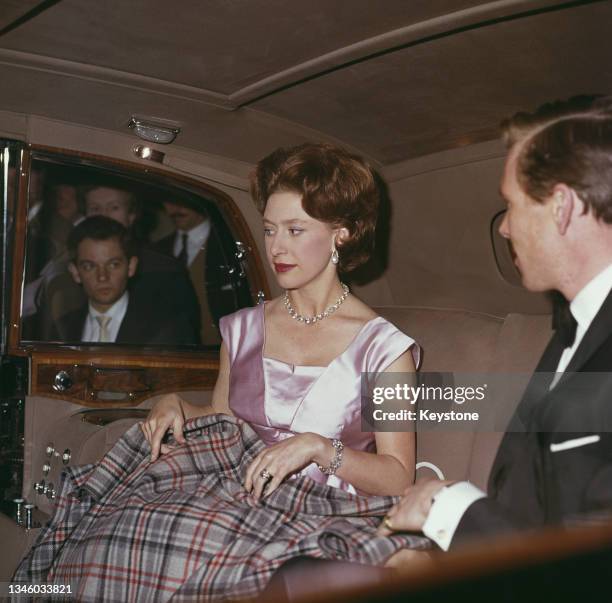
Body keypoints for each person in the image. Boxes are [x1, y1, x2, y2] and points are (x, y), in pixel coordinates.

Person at [14, 144, 429, 600]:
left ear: (342, 235)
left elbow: (397, 476)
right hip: (235, 490)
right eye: (270, 229)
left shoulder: (384, 349)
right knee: (118, 539)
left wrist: (315, 448)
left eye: (294, 229)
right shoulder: (246, 328)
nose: (276, 247)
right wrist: (176, 406)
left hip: (322, 507)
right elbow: (223, 420)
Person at [379, 95, 612, 550]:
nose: (504, 227)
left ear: (561, 207)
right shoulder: (574, 321)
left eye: (511, 204)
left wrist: (444, 507)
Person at [49, 215, 197, 345]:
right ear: (75, 272)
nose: (102, 277)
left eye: (113, 265)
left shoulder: (166, 327)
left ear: (131, 266)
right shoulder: (62, 330)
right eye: (90, 266)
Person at [155, 200, 225, 345]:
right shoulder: (156, 251)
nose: (175, 207)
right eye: (168, 198)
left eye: (182, 198)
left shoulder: (228, 245)